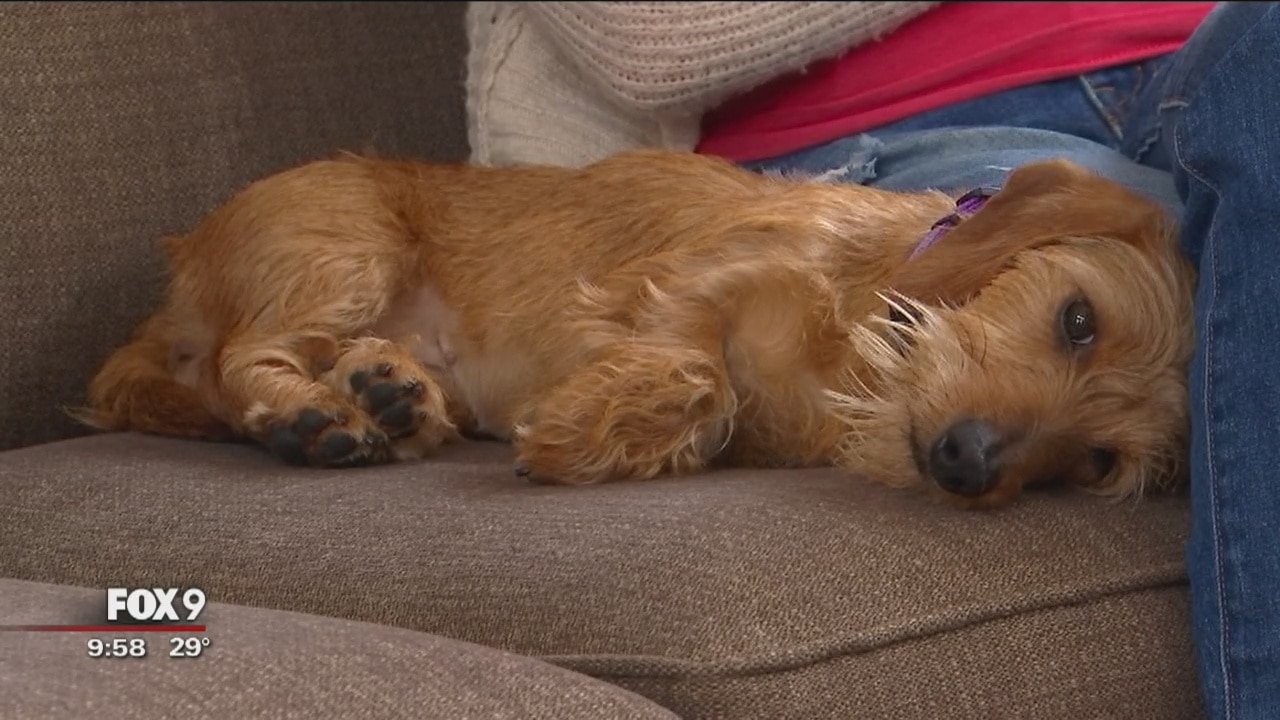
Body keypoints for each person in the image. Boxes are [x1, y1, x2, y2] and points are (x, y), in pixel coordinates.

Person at [465, 3, 1280, 717]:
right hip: (940, 122)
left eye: (1103, 460)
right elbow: (651, 36)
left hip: (1208, 79)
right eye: (1073, 328)